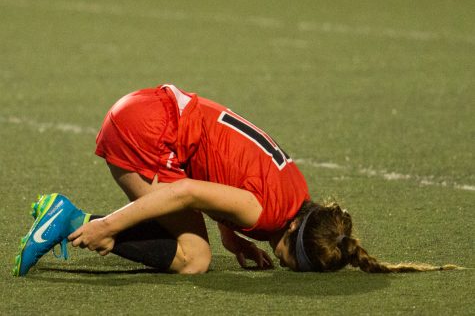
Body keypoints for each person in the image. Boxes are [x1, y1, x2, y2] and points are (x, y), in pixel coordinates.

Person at [13, 84, 457, 276]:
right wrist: (110, 226)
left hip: (152, 110)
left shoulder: (294, 189)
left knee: (202, 244)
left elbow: (223, 168)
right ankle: (73, 219)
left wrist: (231, 233)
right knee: (194, 259)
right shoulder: (263, 212)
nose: (288, 267)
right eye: (297, 264)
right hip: (146, 132)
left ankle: (83, 221)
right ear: (295, 243)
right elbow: (184, 189)